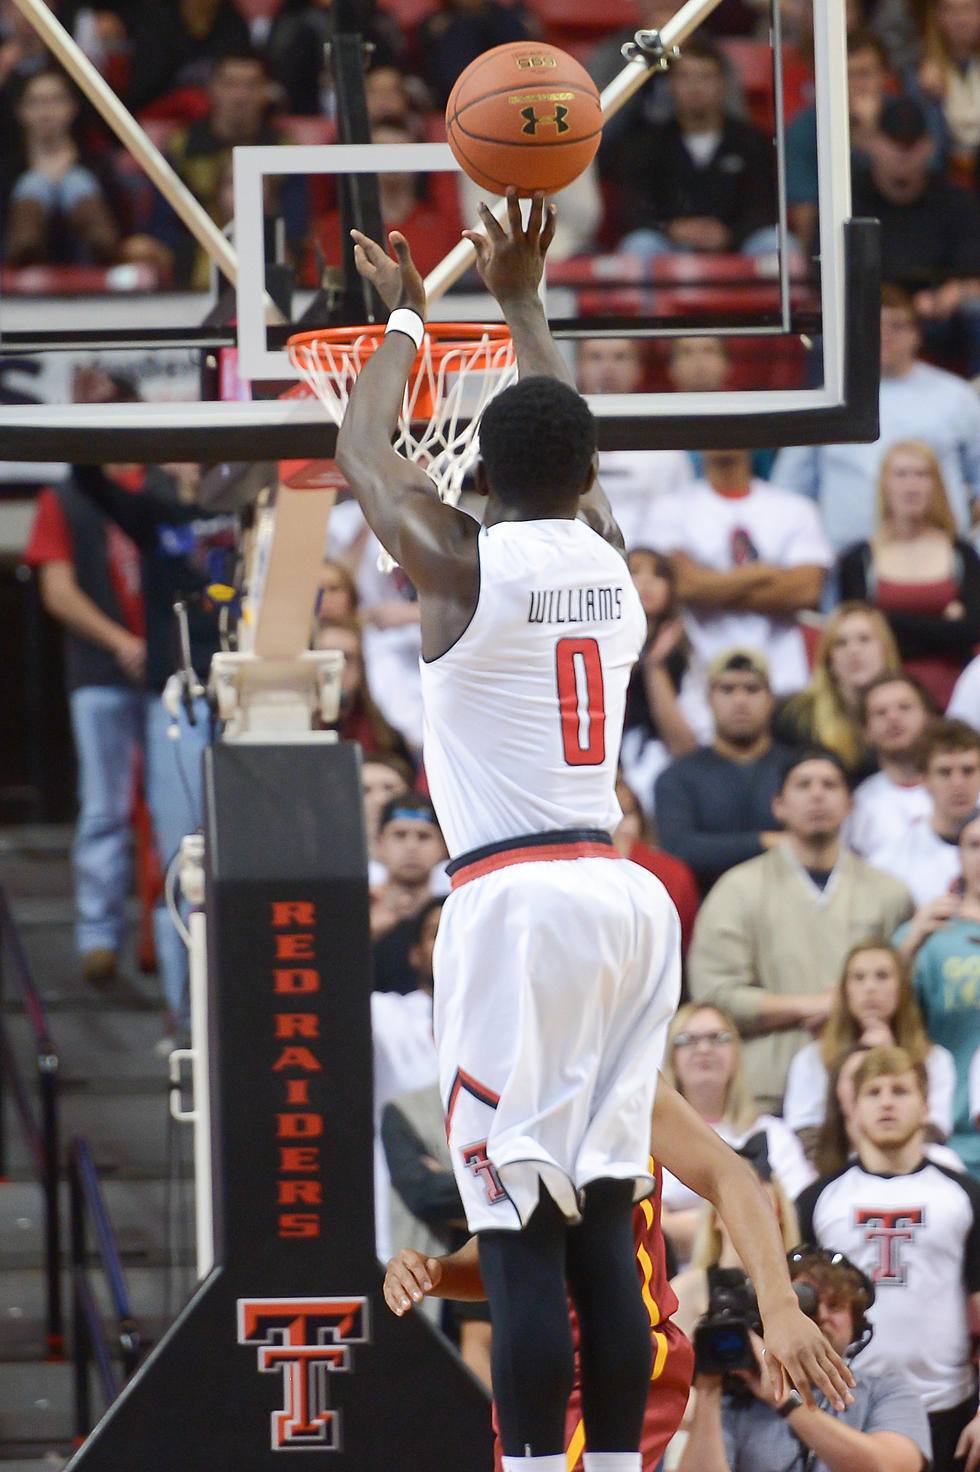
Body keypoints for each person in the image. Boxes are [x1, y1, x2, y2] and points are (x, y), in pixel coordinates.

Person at [337, 192, 848, 1472]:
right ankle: (611, 1461)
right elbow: (570, 448)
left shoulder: (458, 565)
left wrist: (402, 313)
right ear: (579, 472)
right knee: (608, 1204)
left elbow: (360, 449)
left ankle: (531, 1463)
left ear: (482, 475)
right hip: (621, 893)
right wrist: (518, 299)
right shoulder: (613, 558)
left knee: (515, 1223)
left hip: (513, 900)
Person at [385, 1072, 856, 1472]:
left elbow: (728, 1174)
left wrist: (778, 1305)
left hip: (612, 1354)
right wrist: (435, 1272)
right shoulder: (473, 1078)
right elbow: (511, 1253)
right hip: (531, 1365)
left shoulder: (615, 1068)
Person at [69, 460, 237, 1048]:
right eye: (182, 452)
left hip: (250, 699)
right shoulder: (156, 515)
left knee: (241, 868)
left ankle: (232, 1016)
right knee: (180, 866)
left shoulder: (253, 506)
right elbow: (88, 479)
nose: (191, 463)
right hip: (180, 701)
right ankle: (184, 1018)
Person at [688, 750, 914, 1112]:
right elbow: (714, 994)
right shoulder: (737, 889)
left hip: (869, 1094)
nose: (817, 794)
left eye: (829, 785)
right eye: (803, 785)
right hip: (764, 1095)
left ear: (850, 804)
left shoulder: (890, 894)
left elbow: (909, 994)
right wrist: (814, 1005)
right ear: (779, 805)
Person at [797, 1046, 980, 1471]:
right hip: (848, 1405)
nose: (886, 1102)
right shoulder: (816, 1200)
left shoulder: (965, 1196)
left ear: (926, 1105)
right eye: (873, 1092)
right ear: (854, 1109)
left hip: (947, 1404)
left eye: (900, 1090)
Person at [23, 451, 145, 987]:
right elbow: (57, 590)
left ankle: (178, 941)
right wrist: (122, 643)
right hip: (101, 673)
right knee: (104, 810)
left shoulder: (162, 485)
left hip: (168, 674)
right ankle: (99, 934)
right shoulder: (66, 496)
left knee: (179, 818)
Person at [678, 1245, 931, 1472]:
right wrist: (708, 1391)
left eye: (834, 1306)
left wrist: (786, 1400)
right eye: (804, 1305)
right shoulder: (740, 1397)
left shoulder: (887, 1392)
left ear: (856, 1326)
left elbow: (894, 1466)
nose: (820, 1317)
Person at [772, 286, 980, 551]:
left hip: (940, 562)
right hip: (844, 561)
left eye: (897, 325)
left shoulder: (956, 396)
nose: (885, 335)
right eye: (875, 325)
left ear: (917, 334)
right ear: (858, 334)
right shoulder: (825, 401)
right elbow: (789, 489)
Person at [649, 448, 832, 700]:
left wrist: (706, 584)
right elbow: (679, 586)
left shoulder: (795, 508)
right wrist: (761, 574)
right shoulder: (669, 509)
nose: (724, 434)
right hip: (700, 678)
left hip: (784, 680)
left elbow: (806, 591)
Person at [659, 1002, 814, 1264]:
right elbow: (654, 1226)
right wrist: (747, 1219)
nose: (704, 1048)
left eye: (718, 1038)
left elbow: (793, 1219)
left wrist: (684, 1221)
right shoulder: (653, 1139)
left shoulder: (774, 1135)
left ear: (737, 1054)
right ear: (671, 1056)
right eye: (688, 1040)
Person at [604, 36, 781, 260]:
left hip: (738, 245)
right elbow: (633, 209)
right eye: (684, 77)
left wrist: (729, 233)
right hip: (669, 245)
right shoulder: (647, 144)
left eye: (705, 77)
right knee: (638, 246)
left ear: (722, 83)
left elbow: (766, 207)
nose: (695, 87)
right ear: (670, 84)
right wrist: (670, 228)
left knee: (774, 243)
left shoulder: (753, 142)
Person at [145, 50, 307, 289]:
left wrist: (265, 206)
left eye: (251, 86)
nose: (239, 96)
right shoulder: (183, 146)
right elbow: (164, 223)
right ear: (212, 89)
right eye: (229, 84)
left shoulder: (283, 149)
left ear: (266, 92)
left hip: (271, 270)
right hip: (194, 274)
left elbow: (297, 224)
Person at [837, 440, 980, 710]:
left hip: (955, 695)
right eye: (901, 474)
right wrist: (944, 627)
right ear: (885, 485)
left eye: (921, 475)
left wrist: (886, 622)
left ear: (936, 485)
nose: (911, 485)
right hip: (882, 703)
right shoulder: (859, 559)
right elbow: (853, 635)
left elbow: (971, 632)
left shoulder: (962, 554)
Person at [782, 941, 956, 1148]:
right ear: (845, 990)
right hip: (833, 1171)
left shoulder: (934, 1059)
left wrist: (890, 1059)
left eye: (882, 976)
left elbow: (935, 1132)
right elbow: (804, 1135)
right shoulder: (811, 1059)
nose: (870, 988)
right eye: (858, 978)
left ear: (902, 987)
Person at [851, 96, 980, 372]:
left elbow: (972, 273)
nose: (902, 152)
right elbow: (825, 274)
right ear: (874, 143)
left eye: (911, 143)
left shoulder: (955, 201)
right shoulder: (846, 200)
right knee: (825, 322)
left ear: (929, 146)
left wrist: (956, 292)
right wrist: (893, 306)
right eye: (893, 142)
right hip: (866, 314)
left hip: (939, 316)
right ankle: (828, 410)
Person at [655, 648, 798, 896]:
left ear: (771, 699)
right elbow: (678, 848)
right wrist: (765, 842)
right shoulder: (678, 777)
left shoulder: (798, 770)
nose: (740, 701)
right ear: (709, 698)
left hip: (791, 901)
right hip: (708, 905)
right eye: (727, 689)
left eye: (752, 689)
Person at [897, 807, 980, 1176]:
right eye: (975, 845)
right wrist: (912, 943)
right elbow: (874, 1008)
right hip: (948, 1138)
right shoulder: (928, 932)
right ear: (958, 855)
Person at [371, 895, 442, 1262]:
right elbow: (324, 1001)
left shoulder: (512, 1020)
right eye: (435, 933)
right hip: (404, 1219)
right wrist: (363, 934)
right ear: (414, 954)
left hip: (493, 1219)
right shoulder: (386, 1015)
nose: (449, 941)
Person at [574, 340, 695, 553]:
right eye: (595, 357)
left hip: (650, 567)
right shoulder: (561, 444)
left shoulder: (666, 449)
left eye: (620, 357)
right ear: (577, 367)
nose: (608, 368)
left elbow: (678, 522)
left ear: (639, 369)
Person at [2, 66, 123, 267]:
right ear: (20, 111)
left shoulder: (96, 164)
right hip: (18, 270)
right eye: (36, 102)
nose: (46, 111)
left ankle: (100, 251)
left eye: (55, 100)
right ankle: (25, 253)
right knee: (34, 184)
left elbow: (118, 217)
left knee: (77, 182)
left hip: (90, 265)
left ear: (72, 107)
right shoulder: (8, 169)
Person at [774, 602, 903, 779]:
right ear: (829, 660)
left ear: (885, 650)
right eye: (841, 643)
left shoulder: (909, 709)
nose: (854, 650)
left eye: (864, 639)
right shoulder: (795, 716)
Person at [619, 548, 700, 813]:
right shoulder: (596, 644)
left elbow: (683, 746)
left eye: (658, 574)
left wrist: (654, 666)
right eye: (635, 571)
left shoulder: (684, 655)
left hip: (659, 767)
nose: (647, 582)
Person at [873, 718, 980, 904]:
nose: (958, 784)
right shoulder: (891, 862)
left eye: (968, 771)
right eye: (945, 772)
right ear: (923, 779)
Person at [847, 674, 934, 861]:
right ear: (865, 731)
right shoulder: (857, 804)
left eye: (905, 708)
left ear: (928, 718)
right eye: (880, 712)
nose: (893, 718)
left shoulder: (964, 784)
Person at [613, 777, 700, 958]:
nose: (620, 825)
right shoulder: (568, 874)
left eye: (627, 814)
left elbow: (685, 944)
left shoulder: (671, 872)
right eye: (612, 815)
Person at [370, 796, 448, 992]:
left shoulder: (456, 911)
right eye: (399, 835)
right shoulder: (355, 906)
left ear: (443, 846)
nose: (411, 847)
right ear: (379, 843)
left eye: (424, 836)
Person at [313, 616, 414, 764]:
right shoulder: (294, 726)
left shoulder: (385, 733)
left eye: (346, 658)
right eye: (326, 658)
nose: (338, 669)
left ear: (362, 665)